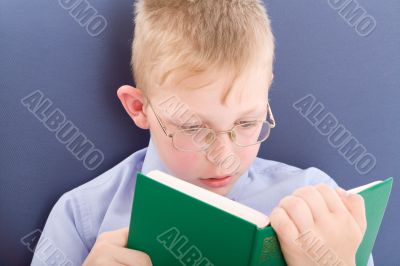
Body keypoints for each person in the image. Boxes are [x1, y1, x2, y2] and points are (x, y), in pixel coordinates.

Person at [32, 0, 372, 265]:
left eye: (246, 123)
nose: (224, 157)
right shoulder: (82, 218)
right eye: (194, 128)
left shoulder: (321, 204)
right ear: (139, 108)